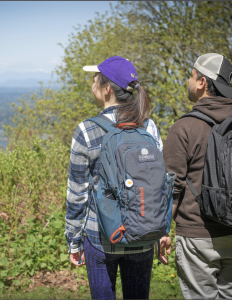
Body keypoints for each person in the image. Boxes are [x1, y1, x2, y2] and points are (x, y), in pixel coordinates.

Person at [64, 56, 163, 299]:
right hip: (142, 235)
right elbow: (158, 186)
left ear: (107, 88)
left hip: (100, 236)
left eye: (94, 79)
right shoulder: (148, 127)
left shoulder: (86, 130)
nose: (91, 84)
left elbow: (77, 194)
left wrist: (73, 241)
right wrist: (162, 232)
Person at [161, 53, 232, 299]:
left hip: (197, 235)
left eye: (191, 76)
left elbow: (170, 187)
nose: (189, 81)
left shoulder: (185, 127)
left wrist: (162, 230)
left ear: (202, 83)